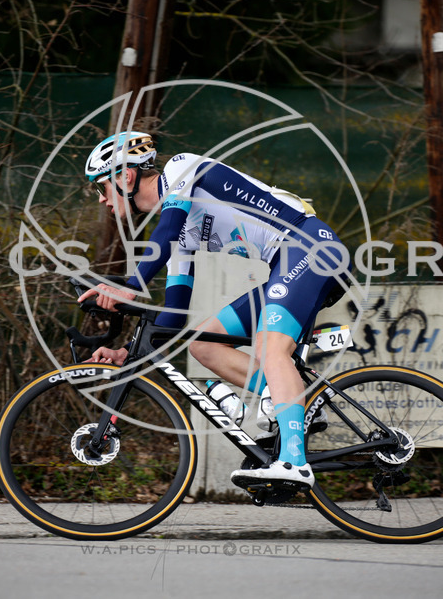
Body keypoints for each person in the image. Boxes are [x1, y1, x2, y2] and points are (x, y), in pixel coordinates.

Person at [77, 131, 345, 491]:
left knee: (270, 348)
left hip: (308, 247)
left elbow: (165, 231)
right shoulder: (180, 232)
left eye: (101, 187)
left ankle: (294, 463)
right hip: (288, 263)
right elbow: (174, 315)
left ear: (125, 176)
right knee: (203, 344)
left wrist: (131, 286)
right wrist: (128, 353)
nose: (102, 198)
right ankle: (302, 402)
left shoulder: (182, 168)